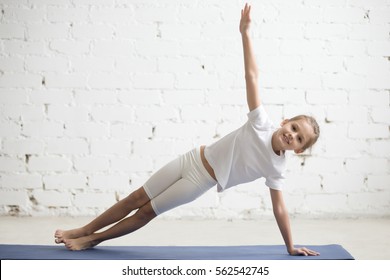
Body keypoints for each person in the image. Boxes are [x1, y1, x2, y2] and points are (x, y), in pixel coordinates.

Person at [55, 3, 320, 256]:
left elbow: (279, 208)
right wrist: (245, 33)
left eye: (299, 139)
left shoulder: (277, 168)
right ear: (285, 121)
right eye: (294, 128)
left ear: (297, 150)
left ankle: (92, 239)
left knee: (146, 212)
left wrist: (290, 246)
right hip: (191, 158)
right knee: (136, 196)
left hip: (200, 180)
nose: (292, 135)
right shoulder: (261, 122)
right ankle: (85, 229)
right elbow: (252, 76)